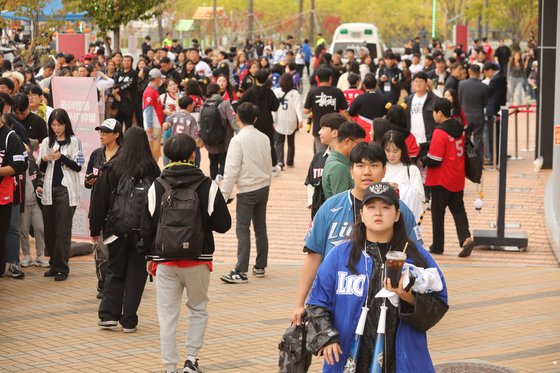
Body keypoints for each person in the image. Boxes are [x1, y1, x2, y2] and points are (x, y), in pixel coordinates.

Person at [305, 182, 448, 372]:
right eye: (371, 207)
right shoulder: (340, 255)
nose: (378, 213)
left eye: (386, 207)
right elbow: (316, 303)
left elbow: (438, 306)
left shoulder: (416, 256)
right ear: (361, 214)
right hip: (348, 357)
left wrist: (407, 297)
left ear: (397, 214)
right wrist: (327, 337)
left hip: (401, 362)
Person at [291, 143, 423, 326]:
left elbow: (417, 257)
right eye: (360, 166)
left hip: (386, 307)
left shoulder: (400, 211)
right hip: (339, 303)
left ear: (384, 170)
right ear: (351, 170)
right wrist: (300, 303)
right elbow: (314, 257)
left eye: (374, 165)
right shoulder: (330, 208)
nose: (367, 172)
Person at [147, 134, 231, 373]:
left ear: (167, 156)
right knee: (197, 308)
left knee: (167, 315)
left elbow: (148, 225)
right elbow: (224, 224)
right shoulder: (207, 185)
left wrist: (150, 257)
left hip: (165, 260)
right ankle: (191, 361)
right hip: (198, 258)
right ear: (193, 156)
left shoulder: (157, 186)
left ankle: (170, 367)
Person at [90, 127, 161, 332]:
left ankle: (108, 316)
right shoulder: (153, 169)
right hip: (143, 231)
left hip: (117, 229)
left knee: (115, 269)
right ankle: (129, 320)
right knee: (137, 274)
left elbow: (99, 200)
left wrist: (95, 228)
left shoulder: (113, 167)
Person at [219, 102, 272, 284]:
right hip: (263, 186)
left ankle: (241, 270)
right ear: (255, 118)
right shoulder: (264, 137)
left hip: (247, 189)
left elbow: (231, 170)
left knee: (243, 229)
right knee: (260, 227)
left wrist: (224, 195)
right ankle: (260, 265)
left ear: (238, 118)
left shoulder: (238, 140)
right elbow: (268, 162)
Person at [423, 98, 476, 257]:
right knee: (459, 210)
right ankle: (466, 238)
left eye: (434, 112)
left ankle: (438, 246)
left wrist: (424, 159)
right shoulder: (460, 129)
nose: (433, 115)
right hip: (457, 177)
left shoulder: (440, 132)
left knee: (438, 214)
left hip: (440, 179)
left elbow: (435, 159)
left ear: (439, 113)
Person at [39, 109, 84, 281]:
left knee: (63, 231)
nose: (56, 128)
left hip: (67, 190)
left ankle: (62, 268)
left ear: (66, 124)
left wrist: (61, 157)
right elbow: (42, 169)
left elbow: (78, 166)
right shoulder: (46, 142)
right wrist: (44, 159)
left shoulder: (74, 141)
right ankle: (53, 264)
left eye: (59, 124)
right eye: (53, 125)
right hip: (49, 189)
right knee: (49, 230)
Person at [85, 118, 123, 299]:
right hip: (99, 209)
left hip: (119, 210)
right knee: (101, 250)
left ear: (117, 134)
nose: (102, 135)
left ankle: (116, 283)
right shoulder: (96, 154)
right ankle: (103, 285)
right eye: (100, 131)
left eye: (106, 132)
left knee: (116, 250)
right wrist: (88, 181)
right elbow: (88, 179)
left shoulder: (123, 156)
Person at [304, 113, 346, 218]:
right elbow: (310, 183)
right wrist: (311, 203)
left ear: (335, 132)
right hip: (319, 215)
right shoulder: (318, 157)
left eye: (323, 128)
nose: (319, 132)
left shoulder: (349, 160)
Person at [0, 114, 27, 278]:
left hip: (3, 194)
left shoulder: (10, 136)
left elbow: (19, 165)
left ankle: (7, 265)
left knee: (4, 232)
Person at [237, 69, 280, 169]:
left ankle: (252, 164)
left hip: (251, 122)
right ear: (266, 79)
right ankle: (273, 164)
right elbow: (275, 107)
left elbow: (240, 105)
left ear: (255, 79)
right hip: (267, 122)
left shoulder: (249, 92)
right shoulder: (269, 92)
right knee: (269, 143)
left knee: (251, 145)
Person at [381, 130, 424, 222]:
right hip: (382, 217)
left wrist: (400, 189)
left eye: (395, 151)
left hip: (405, 219)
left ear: (402, 150)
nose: (391, 155)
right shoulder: (379, 167)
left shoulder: (411, 169)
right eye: (387, 151)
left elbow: (420, 197)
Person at [304, 68, 350, 153]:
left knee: (320, 154)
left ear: (317, 78)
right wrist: (350, 121)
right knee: (335, 153)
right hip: (335, 129)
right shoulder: (338, 92)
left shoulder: (312, 92)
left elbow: (306, 110)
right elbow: (344, 111)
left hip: (319, 128)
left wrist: (314, 108)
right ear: (330, 78)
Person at [321, 121, 366, 199]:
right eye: (359, 145)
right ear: (347, 141)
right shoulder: (338, 167)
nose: (361, 149)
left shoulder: (339, 159)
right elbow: (342, 202)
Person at [19, 148, 48, 268]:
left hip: (35, 203)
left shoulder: (32, 162)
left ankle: (40, 256)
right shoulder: (15, 166)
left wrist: (39, 185)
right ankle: (26, 256)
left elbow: (40, 176)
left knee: (40, 228)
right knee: (23, 231)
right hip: (22, 205)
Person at [203, 83, 237, 181]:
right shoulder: (225, 103)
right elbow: (232, 120)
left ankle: (213, 183)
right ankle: (221, 180)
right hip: (224, 140)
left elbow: (200, 122)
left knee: (213, 162)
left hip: (210, 140)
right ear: (218, 91)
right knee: (224, 162)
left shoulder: (205, 104)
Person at [348, 73, 389, 142]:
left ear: (364, 86)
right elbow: (388, 114)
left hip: (363, 132)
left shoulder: (360, 98)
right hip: (380, 132)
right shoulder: (384, 98)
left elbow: (351, 113)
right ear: (376, 85)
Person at [273, 73, 302, 169]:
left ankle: (280, 161)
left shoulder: (276, 92)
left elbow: (274, 108)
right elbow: (298, 107)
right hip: (291, 120)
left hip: (279, 119)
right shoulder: (295, 93)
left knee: (279, 142)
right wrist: (300, 120)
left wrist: (273, 120)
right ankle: (290, 161)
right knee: (291, 142)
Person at [458, 64, 488, 154]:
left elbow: (460, 100)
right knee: (478, 138)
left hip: (465, 115)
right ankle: (477, 159)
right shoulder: (484, 86)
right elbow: (485, 103)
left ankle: (466, 157)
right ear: (479, 73)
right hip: (478, 115)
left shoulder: (461, 84)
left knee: (465, 138)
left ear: (469, 71)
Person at [169, 96, 202, 167]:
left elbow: (166, 124)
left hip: (175, 143)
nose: (193, 106)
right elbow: (194, 136)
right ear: (189, 106)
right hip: (186, 145)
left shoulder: (174, 115)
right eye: (192, 104)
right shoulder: (191, 118)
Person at [484, 62, 507, 162]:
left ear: (490, 70)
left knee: (493, 134)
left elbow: (488, 93)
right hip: (498, 108)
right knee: (497, 133)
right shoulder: (501, 77)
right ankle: (497, 155)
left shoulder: (495, 79)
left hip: (493, 110)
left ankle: (494, 157)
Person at [143, 68, 165, 162]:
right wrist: (149, 126)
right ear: (156, 79)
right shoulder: (150, 91)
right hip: (154, 125)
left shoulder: (153, 90)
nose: (161, 80)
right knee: (153, 151)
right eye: (160, 78)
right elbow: (149, 110)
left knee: (155, 151)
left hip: (156, 124)